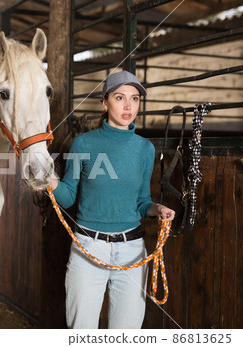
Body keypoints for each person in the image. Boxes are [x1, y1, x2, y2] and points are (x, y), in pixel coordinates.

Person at [50, 70, 175, 329]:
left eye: (135, 99)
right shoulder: (82, 144)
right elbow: (67, 197)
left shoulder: (145, 149)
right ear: (105, 102)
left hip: (131, 251)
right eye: (120, 98)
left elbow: (142, 201)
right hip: (88, 247)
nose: (128, 105)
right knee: (82, 332)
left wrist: (157, 208)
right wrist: (50, 182)